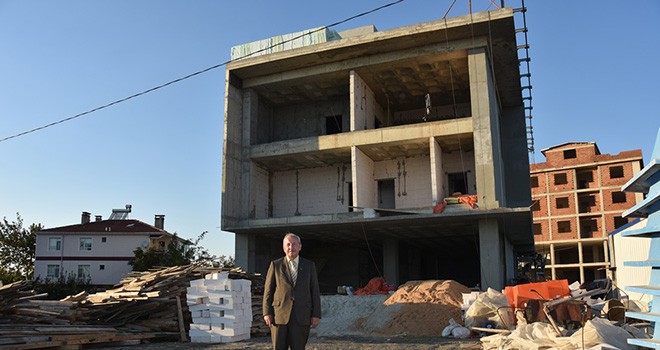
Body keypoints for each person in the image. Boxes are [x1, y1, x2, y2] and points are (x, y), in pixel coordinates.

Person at [263, 232, 321, 350]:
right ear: (284, 248)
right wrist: (267, 313)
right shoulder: (276, 265)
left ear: (300, 247)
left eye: (294, 244)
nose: (291, 247)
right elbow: (268, 291)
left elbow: (314, 291)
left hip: (302, 317)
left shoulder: (309, 266)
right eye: (288, 244)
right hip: (279, 317)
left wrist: (316, 314)